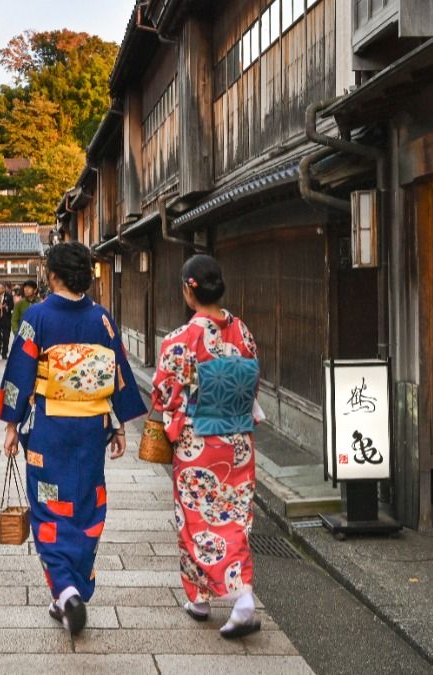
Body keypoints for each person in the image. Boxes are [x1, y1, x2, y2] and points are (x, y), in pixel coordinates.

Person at [0, 242, 146, 636]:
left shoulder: (39, 317)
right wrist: (121, 426)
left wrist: (12, 424)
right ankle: (75, 583)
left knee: (49, 508)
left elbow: (20, 373)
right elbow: (118, 374)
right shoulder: (103, 320)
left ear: (53, 275)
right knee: (86, 505)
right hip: (92, 428)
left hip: (50, 430)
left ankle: (65, 590)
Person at [151, 254, 262, 639]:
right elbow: (252, 384)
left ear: (188, 289)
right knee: (233, 517)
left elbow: (165, 392)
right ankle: (200, 597)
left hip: (199, 444)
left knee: (199, 521)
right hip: (238, 441)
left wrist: (174, 419)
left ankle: (241, 598)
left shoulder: (181, 339)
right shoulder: (242, 331)